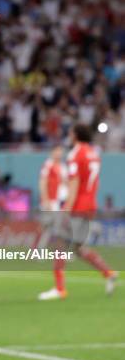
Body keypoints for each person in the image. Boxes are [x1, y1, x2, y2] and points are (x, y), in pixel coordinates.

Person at [39, 124, 118, 300]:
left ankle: (60, 289)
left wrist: (66, 209)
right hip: (90, 205)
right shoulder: (94, 154)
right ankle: (108, 272)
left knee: (60, 244)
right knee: (77, 247)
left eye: (70, 132)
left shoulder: (76, 154)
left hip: (77, 207)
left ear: (75, 135)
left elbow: (74, 185)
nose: (69, 135)